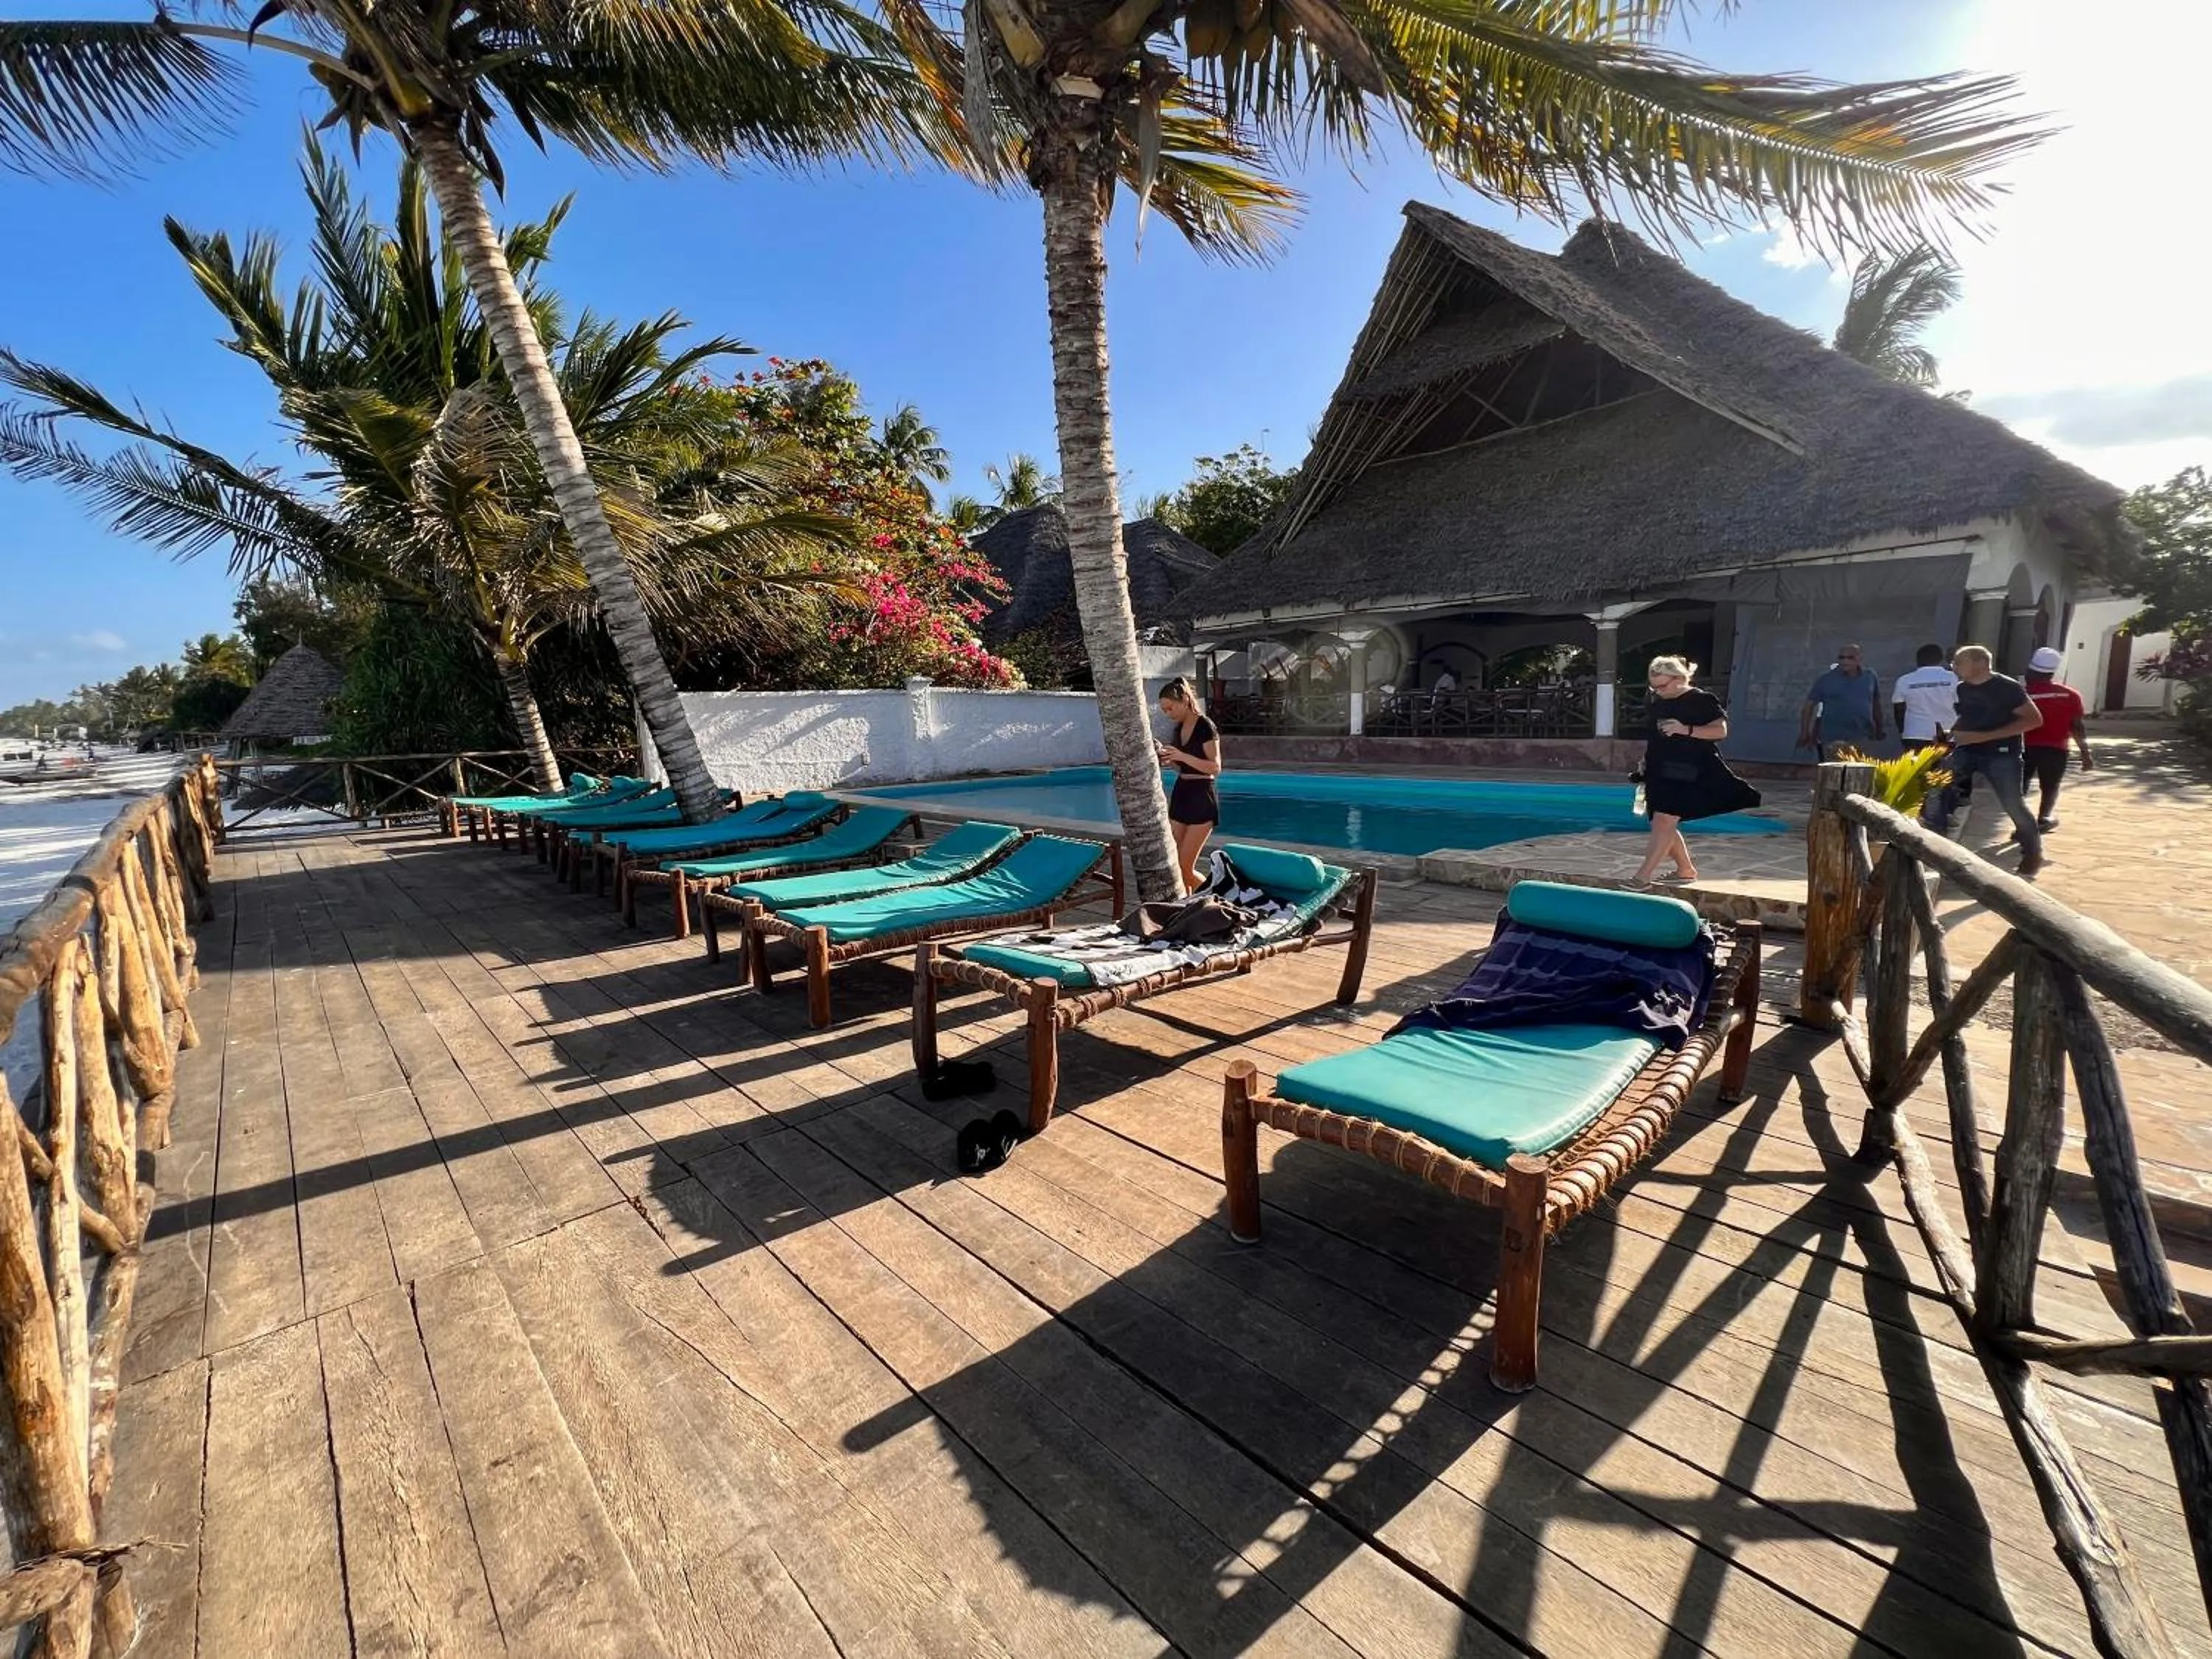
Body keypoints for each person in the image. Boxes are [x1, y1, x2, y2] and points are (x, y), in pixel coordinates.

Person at [1631, 656, 1761, 886]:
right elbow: (1655, 736)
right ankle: (1685, 870)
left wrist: (1685, 729)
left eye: (1663, 686)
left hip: (1689, 768)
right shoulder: (1657, 701)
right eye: (1654, 687)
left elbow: (1720, 732)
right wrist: (1645, 760)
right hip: (1659, 766)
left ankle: (1642, 878)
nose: (1658, 691)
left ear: (1680, 678)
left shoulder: (1701, 700)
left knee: (1665, 820)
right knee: (1661, 822)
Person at [1924, 644, 2045, 875]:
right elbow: (1968, 718)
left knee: (2013, 804)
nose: (1954, 667)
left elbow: (2034, 720)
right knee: (1940, 790)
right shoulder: (1963, 689)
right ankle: (1936, 849)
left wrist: (1983, 737)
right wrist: (1951, 734)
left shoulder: (2007, 688)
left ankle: (2033, 853)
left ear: (1980, 663)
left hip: (2002, 754)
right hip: (1967, 751)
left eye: (1959, 662)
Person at [1155, 676, 1222, 894]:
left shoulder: (1205, 725)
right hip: (1182, 793)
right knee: (1175, 866)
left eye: (1170, 708)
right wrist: (1170, 758)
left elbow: (1215, 767)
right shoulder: (1179, 729)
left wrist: (1183, 756)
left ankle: (1214, 900)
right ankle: (1188, 907)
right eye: (1164, 710)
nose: (1168, 714)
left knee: (1185, 867)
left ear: (1184, 700)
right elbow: (1181, 768)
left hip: (1202, 797)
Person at [2021, 645, 2094, 831]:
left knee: (2020, 785)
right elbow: (2077, 727)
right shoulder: (2070, 695)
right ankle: (2044, 817)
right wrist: (2086, 754)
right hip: (2057, 749)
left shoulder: (2022, 694)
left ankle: (2020, 820)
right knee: (2051, 784)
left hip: (2024, 747)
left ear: (2031, 671)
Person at [1798, 644, 1886, 759]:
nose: (1845, 661)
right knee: (1836, 774)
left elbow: (1876, 703)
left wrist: (1879, 728)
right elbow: (1808, 707)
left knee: (1859, 774)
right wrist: (1805, 733)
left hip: (1862, 736)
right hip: (1833, 737)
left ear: (1859, 659)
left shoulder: (1870, 677)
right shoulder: (1826, 679)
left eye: (1850, 658)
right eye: (1841, 657)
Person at [1891, 644, 1959, 752]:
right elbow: (1962, 706)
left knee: (1918, 769)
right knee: (1947, 768)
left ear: (1918, 660)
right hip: (1948, 735)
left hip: (1915, 735)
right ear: (1941, 659)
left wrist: (1903, 732)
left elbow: (1899, 710)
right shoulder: (1954, 678)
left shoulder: (1904, 680)